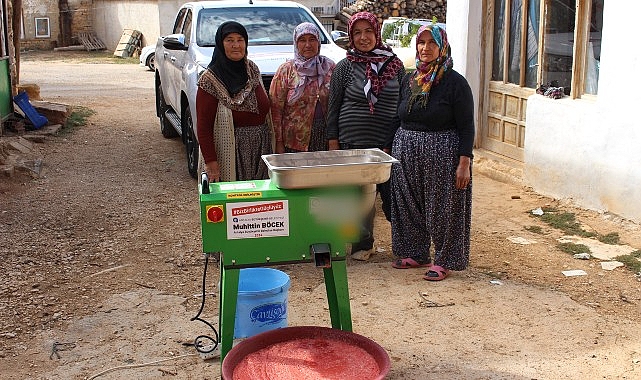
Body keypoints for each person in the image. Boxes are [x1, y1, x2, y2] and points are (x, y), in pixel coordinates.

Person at [388, 24, 474, 281]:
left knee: (443, 207)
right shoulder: (410, 78)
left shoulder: (455, 83)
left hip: (442, 152)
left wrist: (464, 162)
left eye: (431, 44)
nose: (425, 48)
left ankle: (445, 259)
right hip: (406, 150)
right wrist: (387, 148)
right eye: (421, 43)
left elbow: (467, 126)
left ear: (442, 47)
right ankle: (416, 252)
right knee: (408, 204)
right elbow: (398, 115)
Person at [326, 11, 405, 261]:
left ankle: (406, 245)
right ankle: (363, 245)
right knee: (360, 199)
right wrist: (333, 142)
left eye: (368, 31)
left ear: (377, 32)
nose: (363, 37)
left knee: (395, 197)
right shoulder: (345, 67)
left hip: (387, 145)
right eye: (357, 32)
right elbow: (333, 107)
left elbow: (403, 105)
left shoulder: (395, 65)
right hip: (352, 144)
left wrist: (395, 141)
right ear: (350, 36)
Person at [196, 21, 273, 182]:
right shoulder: (210, 80)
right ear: (220, 44)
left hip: (261, 149)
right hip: (230, 152)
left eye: (240, 39)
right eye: (229, 40)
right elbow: (203, 126)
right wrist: (211, 163)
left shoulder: (252, 70)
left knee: (262, 203)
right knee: (235, 204)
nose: (236, 45)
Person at [269, 22, 335, 153]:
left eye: (312, 39)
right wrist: (278, 142)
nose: (308, 45)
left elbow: (337, 105)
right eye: (302, 40)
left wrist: (334, 138)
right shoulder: (286, 71)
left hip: (325, 138)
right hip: (294, 141)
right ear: (295, 43)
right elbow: (275, 110)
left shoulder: (329, 67)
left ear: (318, 42)